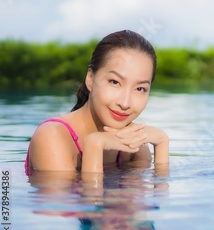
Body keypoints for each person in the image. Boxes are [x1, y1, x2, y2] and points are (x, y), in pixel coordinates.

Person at [25, 29, 169, 174]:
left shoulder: (132, 142)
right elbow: (90, 196)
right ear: (90, 79)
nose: (125, 103)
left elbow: (156, 194)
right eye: (114, 82)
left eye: (140, 89)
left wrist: (162, 141)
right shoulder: (52, 136)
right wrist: (94, 146)